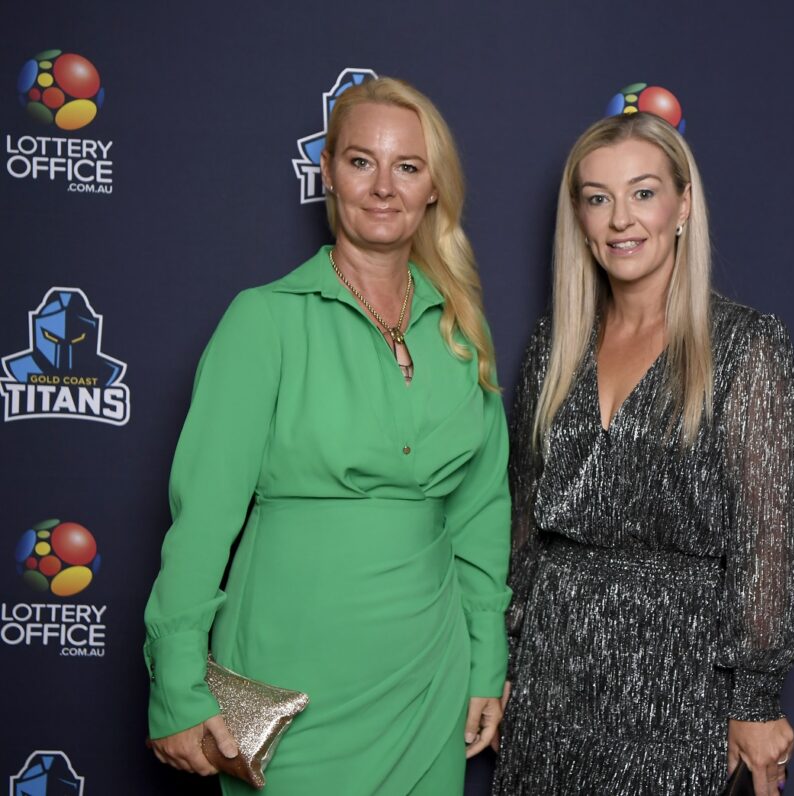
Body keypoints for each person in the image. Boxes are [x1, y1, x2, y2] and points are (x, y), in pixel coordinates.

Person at [144, 77, 511, 795]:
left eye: (407, 166)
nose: (383, 187)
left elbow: (481, 513)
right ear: (327, 174)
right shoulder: (263, 321)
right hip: (291, 681)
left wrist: (485, 659)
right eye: (360, 161)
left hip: (426, 681)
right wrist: (177, 686)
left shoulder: (462, 333)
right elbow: (204, 517)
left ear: (434, 186)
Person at [492, 111, 794, 796]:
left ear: (682, 204)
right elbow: (520, 523)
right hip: (553, 670)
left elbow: (769, 538)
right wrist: (505, 659)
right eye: (597, 198)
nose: (620, 220)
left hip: (682, 681)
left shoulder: (745, 345)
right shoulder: (555, 344)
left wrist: (755, 698)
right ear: (578, 217)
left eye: (642, 193)